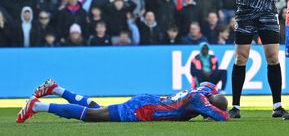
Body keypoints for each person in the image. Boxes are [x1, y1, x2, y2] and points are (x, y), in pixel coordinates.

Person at [17, 79, 229, 123]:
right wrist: (223, 112)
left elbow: (210, 89)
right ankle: (38, 105)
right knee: (94, 116)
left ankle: (56, 89)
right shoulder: (199, 100)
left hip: (148, 102)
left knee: (99, 109)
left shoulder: (199, 92)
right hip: (144, 110)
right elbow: (222, 117)